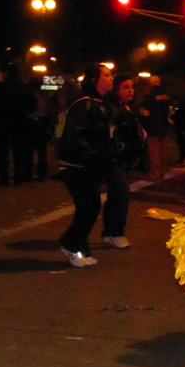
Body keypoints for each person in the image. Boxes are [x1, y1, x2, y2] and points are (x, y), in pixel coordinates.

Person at [57, 63, 119, 266]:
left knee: (88, 206)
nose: (111, 78)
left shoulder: (102, 104)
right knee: (89, 206)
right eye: (106, 75)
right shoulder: (84, 104)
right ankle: (70, 245)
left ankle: (80, 249)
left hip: (90, 165)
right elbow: (75, 137)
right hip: (77, 166)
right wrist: (95, 155)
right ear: (94, 80)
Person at [102, 73, 143, 248]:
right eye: (125, 87)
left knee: (115, 194)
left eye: (132, 87)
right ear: (116, 90)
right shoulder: (113, 109)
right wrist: (123, 148)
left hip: (125, 159)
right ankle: (117, 232)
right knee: (123, 193)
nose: (130, 90)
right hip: (114, 159)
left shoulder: (130, 108)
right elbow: (110, 136)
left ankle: (109, 232)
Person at [140, 74, 171, 181]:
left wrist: (141, 112)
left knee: (154, 153)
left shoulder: (150, 96)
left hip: (153, 127)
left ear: (151, 83)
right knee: (162, 152)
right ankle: (162, 172)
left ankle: (155, 174)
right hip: (164, 126)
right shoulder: (165, 95)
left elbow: (146, 112)